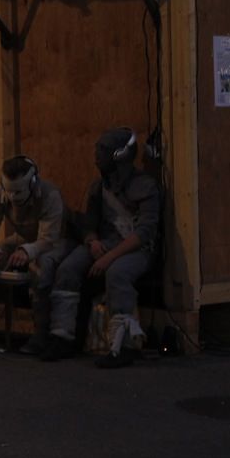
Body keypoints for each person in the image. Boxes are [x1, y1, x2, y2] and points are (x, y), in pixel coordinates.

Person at [41, 127, 160, 367]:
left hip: (135, 249)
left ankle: (123, 345)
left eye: (103, 152)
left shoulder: (145, 186)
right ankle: (63, 336)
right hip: (104, 243)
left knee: (118, 273)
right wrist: (92, 241)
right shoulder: (99, 187)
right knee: (68, 268)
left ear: (119, 155)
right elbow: (89, 223)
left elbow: (144, 233)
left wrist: (109, 257)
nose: (97, 157)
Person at [0, 155, 71, 352]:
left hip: (55, 242)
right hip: (22, 238)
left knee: (40, 265)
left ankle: (40, 332)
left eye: (18, 191)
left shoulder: (50, 195)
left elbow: (48, 239)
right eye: (8, 190)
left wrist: (27, 251)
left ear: (32, 182)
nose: (12, 196)